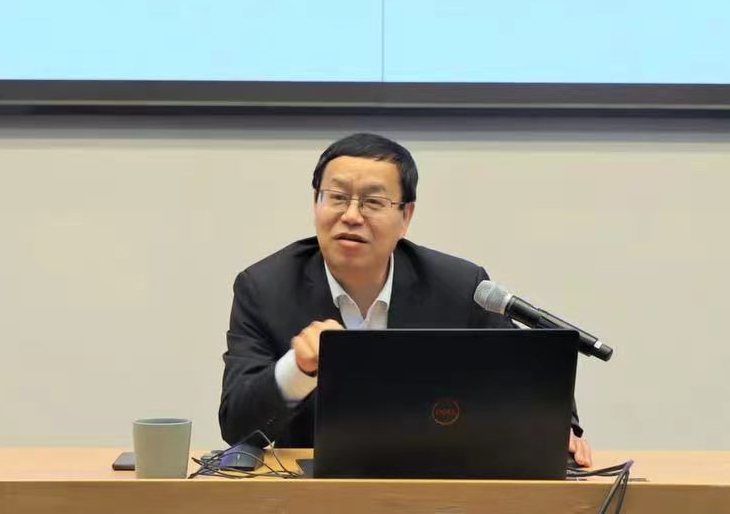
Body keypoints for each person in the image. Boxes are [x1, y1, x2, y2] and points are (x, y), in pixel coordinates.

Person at [218, 132, 592, 466]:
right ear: (316, 202)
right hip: (315, 493)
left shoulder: (460, 287)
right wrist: (298, 370)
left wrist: (560, 427)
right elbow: (237, 424)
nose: (351, 215)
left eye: (372, 202)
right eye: (337, 197)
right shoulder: (264, 289)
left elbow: (526, 371)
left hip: (439, 482)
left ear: (406, 216)